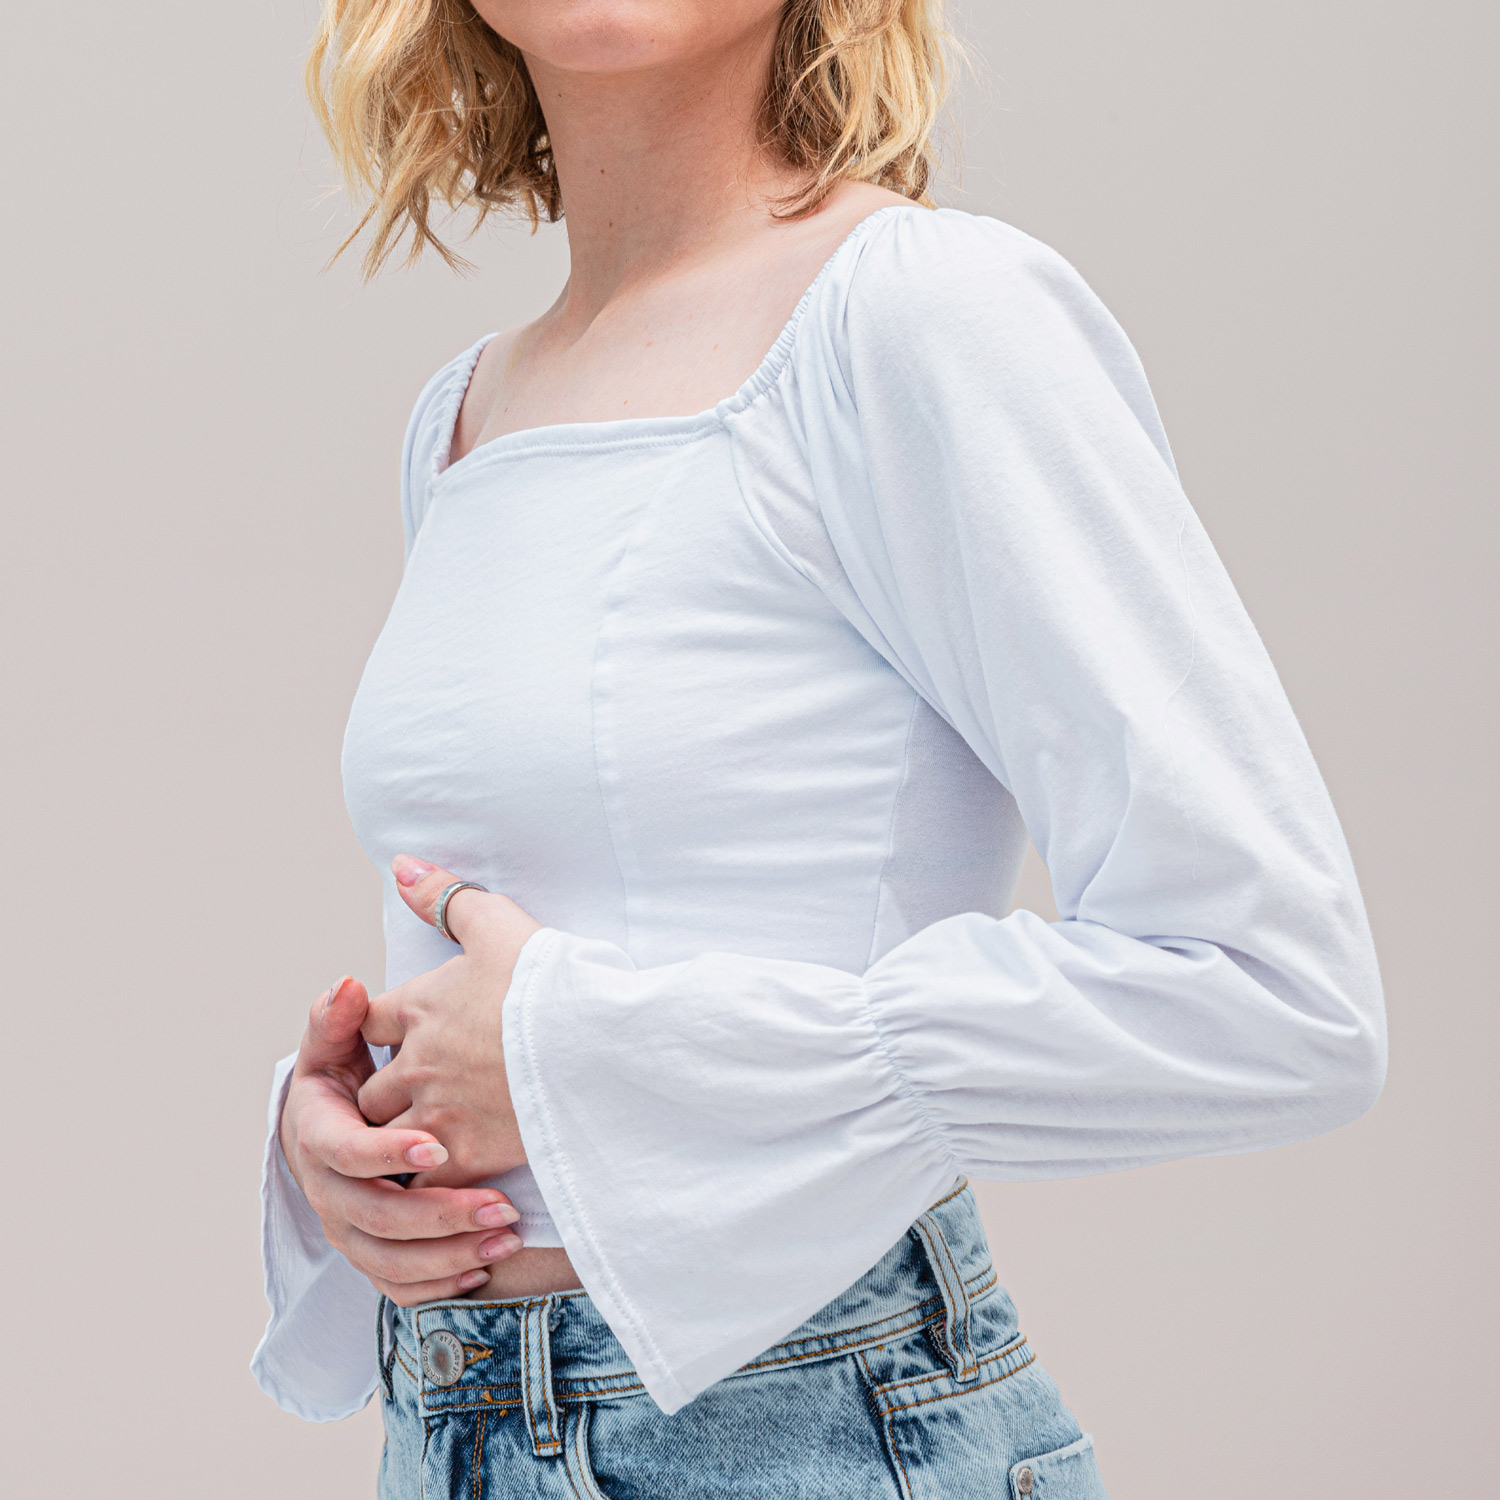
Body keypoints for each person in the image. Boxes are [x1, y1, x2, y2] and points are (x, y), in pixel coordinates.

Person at [253, 2, 1387, 1495]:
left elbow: (1276, 992)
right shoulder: (463, 412)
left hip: (816, 1425)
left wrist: (598, 1056)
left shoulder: (921, 313)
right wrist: (350, 1144)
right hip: (457, 1423)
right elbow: (535, 960)